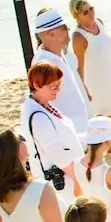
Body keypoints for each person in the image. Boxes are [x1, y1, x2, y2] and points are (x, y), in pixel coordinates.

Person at [20, 62, 83, 197]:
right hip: (64, 180)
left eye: (59, 85)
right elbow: (58, 155)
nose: (57, 90)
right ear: (36, 85)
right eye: (52, 86)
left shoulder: (41, 104)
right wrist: (78, 179)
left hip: (69, 170)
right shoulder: (39, 118)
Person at [31, 9, 91, 135]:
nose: (68, 29)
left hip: (79, 127)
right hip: (68, 132)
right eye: (63, 27)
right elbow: (44, 103)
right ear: (51, 34)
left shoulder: (58, 55)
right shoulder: (45, 65)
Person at [69, 0, 111, 122]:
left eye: (91, 9)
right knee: (101, 114)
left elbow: (109, 43)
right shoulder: (78, 36)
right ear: (77, 16)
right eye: (85, 12)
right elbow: (79, 65)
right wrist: (82, 87)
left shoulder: (99, 22)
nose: (91, 13)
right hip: (95, 81)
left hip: (110, 74)